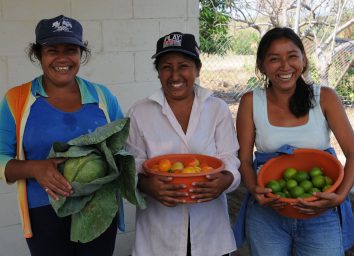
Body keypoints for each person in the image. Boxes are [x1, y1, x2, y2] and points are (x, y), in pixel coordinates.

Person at [0, 15, 124, 256]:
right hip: (44, 212)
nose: (62, 58)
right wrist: (34, 168)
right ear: (39, 55)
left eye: (71, 50)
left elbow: (122, 147)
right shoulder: (17, 100)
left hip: (99, 208)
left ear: (81, 54)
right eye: (52, 50)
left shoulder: (102, 97)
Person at [234, 27, 354, 256]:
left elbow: (352, 150)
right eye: (274, 59)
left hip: (320, 210)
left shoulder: (325, 97)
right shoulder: (251, 101)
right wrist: (254, 190)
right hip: (269, 210)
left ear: (303, 59)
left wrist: (338, 197)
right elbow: (244, 160)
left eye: (292, 56)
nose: (285, 66)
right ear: (262, 66)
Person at [125, 32, 241, 256]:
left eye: (184, 66)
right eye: (166, 67)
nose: (175, 74)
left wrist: (225, 181)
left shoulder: (216, 109)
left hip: (211, 231)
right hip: (158, 235)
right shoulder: (140, 112)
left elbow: (229, 158)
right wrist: (147, 186)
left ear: (197, 69)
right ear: (158, 72)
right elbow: (132, 165)